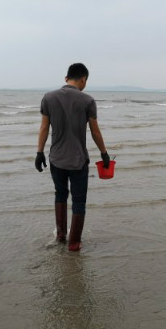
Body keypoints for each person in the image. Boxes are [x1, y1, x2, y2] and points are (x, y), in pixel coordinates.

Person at [35, 63, 111, 252]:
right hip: (78, 160)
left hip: (56, 159)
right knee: (79, 201)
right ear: (83, 79)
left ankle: (61, 235)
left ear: (66, 78)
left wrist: (39, 153)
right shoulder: (87, 100)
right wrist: (104, 153)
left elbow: (44, 127)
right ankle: (74, 243)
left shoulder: (48, 97)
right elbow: (95, 131)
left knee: (60, 194)